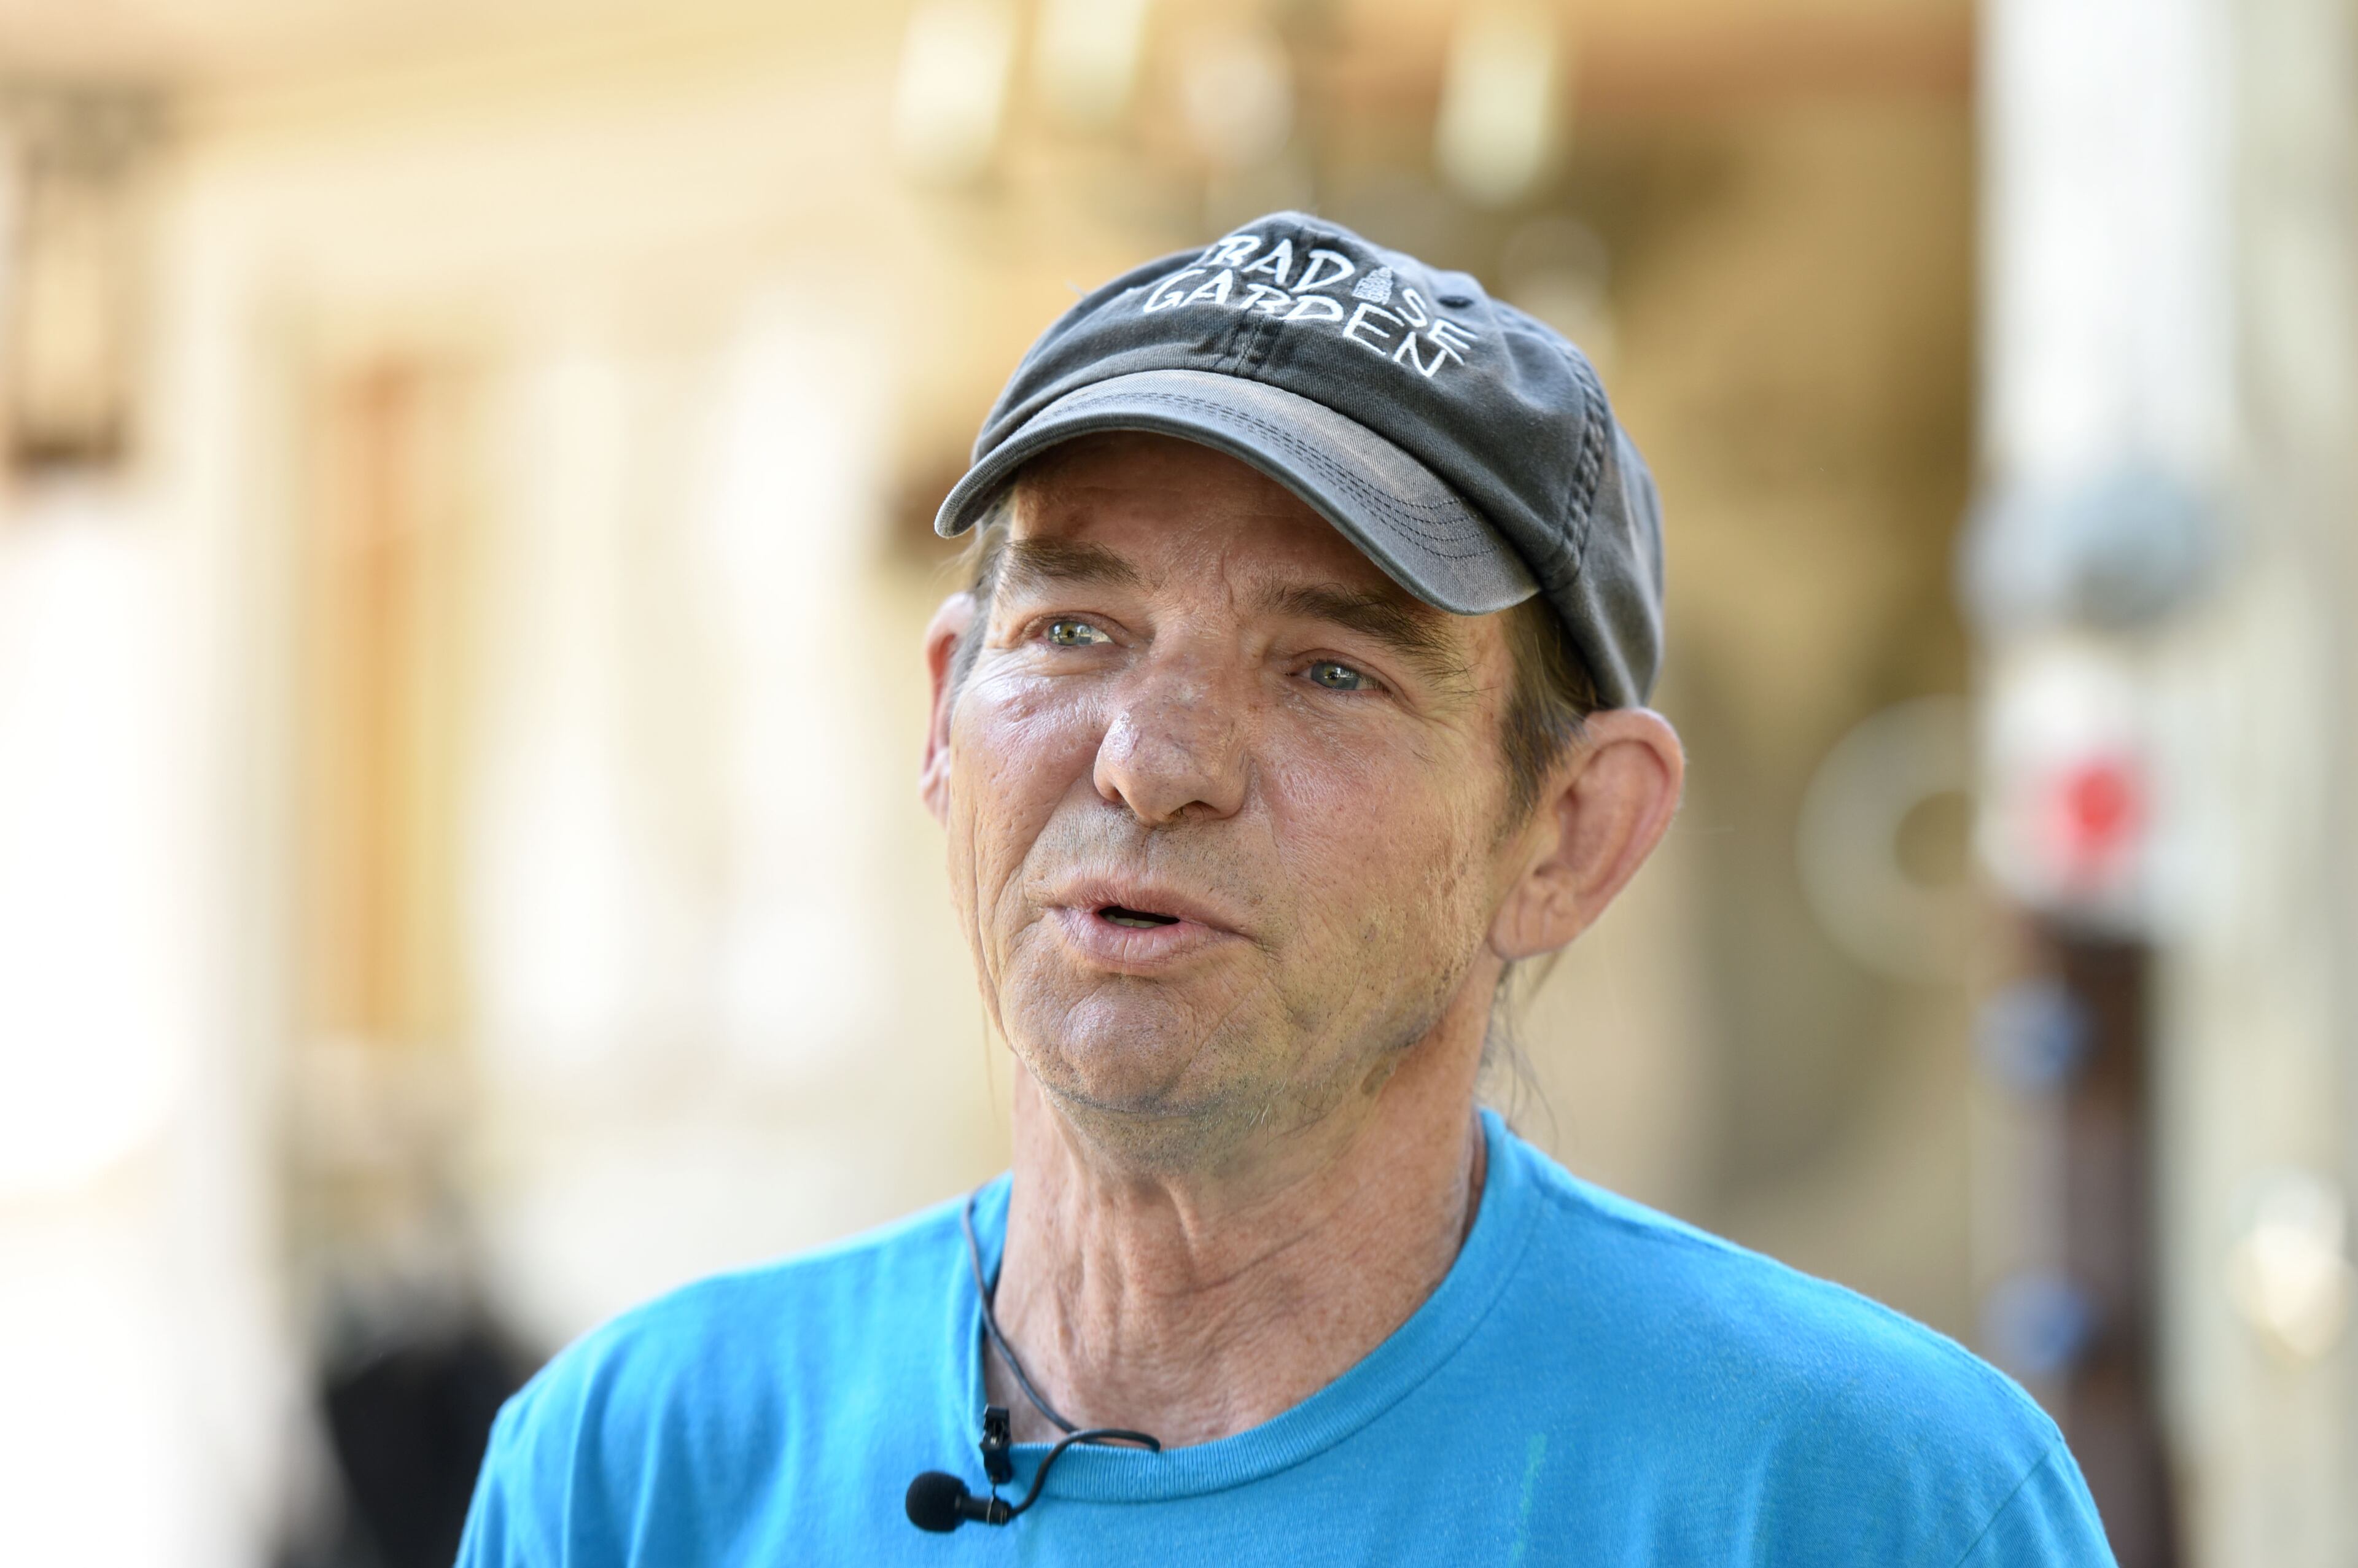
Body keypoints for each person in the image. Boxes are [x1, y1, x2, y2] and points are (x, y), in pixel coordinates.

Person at [455, 212, 2115, 1564]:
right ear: (946, 716)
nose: (1149, 760)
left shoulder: (1861, 1499)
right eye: (1074, 630)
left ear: (1570, 833)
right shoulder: (639, 1472)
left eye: (1330, 669)